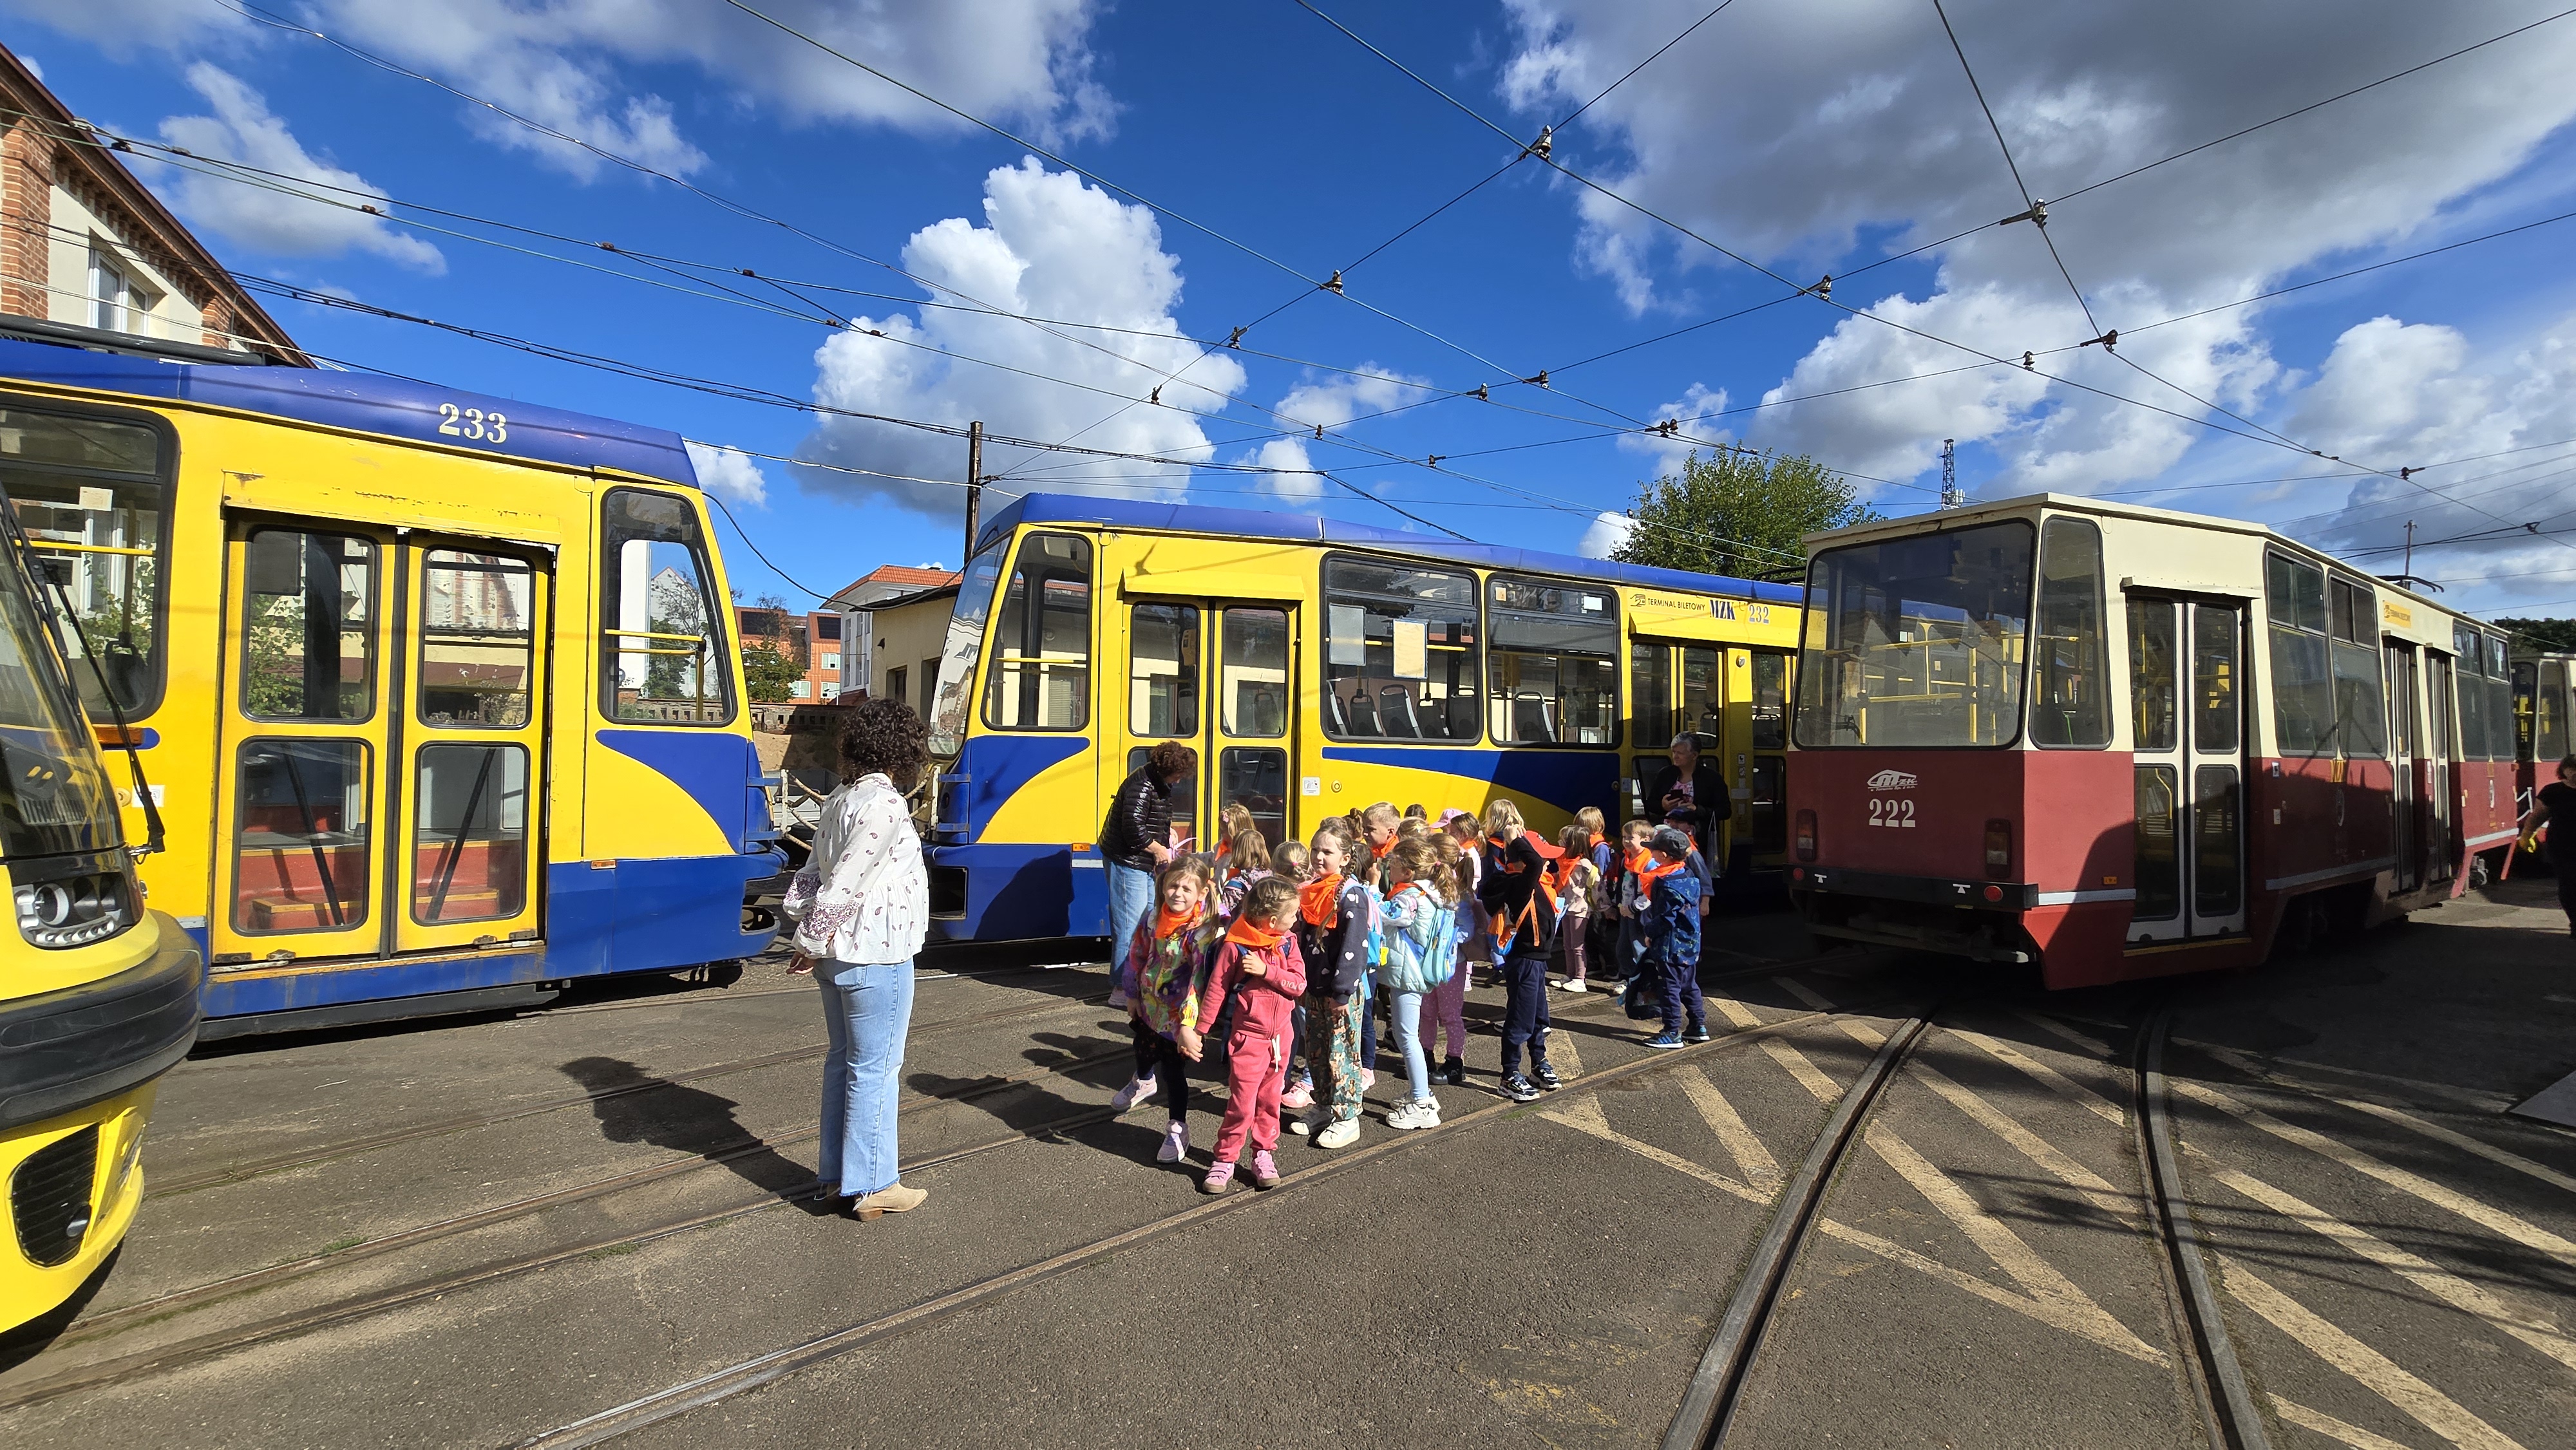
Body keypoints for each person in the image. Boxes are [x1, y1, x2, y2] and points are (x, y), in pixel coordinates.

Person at [782, 698, 933, 1218]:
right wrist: (809, 941)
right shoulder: (885, 804)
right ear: (903, 749)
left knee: (843, 1063)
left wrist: (808, 936)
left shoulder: (841, 797)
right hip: (876, 951)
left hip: (838, 954)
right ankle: (874, 1185)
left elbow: (812, 873)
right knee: (876, 1069)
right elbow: (845, 882)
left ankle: (835, 1177)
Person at [1184, 877, 1305, 1193]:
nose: (1297, 919)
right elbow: (1216, 989)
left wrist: (1268, 972)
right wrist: (1201, 1030)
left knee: (1270, 1101)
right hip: (1248, 1038)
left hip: (1281, 1037)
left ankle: (1263, 1153)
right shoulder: (1235, 945)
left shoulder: (1288, 942)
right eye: (1293, 914)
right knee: (1242, 1103)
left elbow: (1299, 985)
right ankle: (1225, 1159)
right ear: (1273, 921)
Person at [1108, 858, 1224, 1159]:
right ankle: (1144, 1080)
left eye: (1187, 889)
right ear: (1163, 886)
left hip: (1178, 1015)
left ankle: (1177, 1128)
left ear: (1201, 893)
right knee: (1142, 1047)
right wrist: (1132, 994)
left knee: (1174, 1072)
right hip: (1150, 1005)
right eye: (1173, 886)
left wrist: (1187, 1025)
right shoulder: (1153, 918)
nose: (1178, 893)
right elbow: (1137, 954)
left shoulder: (1202, 933)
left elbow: (1199, 981)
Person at [1293, 823, 1374, 1149]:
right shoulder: (1312, 889)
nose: (1318, 856)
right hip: (1314, 987)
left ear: (1345, 858)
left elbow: (1354, 947)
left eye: (1327, 851)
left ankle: (1348, 1116)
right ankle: (1325, 1106)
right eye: (1315, 849)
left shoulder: (1351, 894)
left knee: (1342, 1053)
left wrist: (1342, 990)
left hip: (1341, 992)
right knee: (1317, 1050)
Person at [1099, 741, 1196, 1008]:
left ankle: (1133, 981)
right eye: (1178, 775)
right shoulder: (1142, 786)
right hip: (1128, 862)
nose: (1179, 780)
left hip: (1137, 862)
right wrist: (1158, 849)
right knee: (1131, 927)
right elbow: (1133, 829)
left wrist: (1166, 833)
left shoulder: (1154, 782)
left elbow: (1147, 819)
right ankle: (1121, 988)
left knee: (1143, 922)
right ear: (1169, 770)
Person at [1477, 798, 1562, 1102]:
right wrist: (1515, 840)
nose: (1548, 863)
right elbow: (1535, 863)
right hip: (1525, 960)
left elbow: (1540, 865)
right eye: (1544, 858)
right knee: (1520, 1018)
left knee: (1538, 1016)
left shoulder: (1535, 881)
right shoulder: (1519, 883)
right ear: (1526, 859)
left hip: (1537, 960)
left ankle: (1539, 1063)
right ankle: (1509, 1074)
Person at [1378, 838, 1457, 1129]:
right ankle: (1419, 1093)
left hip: (1407, 975)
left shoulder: (1409, 897)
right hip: (1418, 971)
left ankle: (1422, 1103)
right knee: (1408, 1036)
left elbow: (1385, 915)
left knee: (1407, 1038)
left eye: (1393, 865)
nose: (1389, 869)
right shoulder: (1433, 893)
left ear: (1408, 871)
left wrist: (1372, 889)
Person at [1636, 827, 1710, 1049]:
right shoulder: (1688, 875)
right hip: (1690, 944)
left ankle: (1671, 1032)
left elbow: (1665, 918)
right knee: (1689, 985)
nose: (1650, 853)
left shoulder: (1665, 883)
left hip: (1670, 947)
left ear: (1663, 855)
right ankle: (1698, 1026)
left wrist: (1650, 932)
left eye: (1653, 850)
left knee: (1670, 988)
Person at [1645, 733, 1730, 916]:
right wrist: (1662, 805)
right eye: (1674, 752)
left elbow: (1725, 811)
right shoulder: (1666, 774)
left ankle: (1694, 916)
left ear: (1694, 755)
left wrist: (1698, 810)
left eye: (1680, 753)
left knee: (1693, 879)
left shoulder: (1711, 778)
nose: (1675, 756)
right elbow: (1650, 804)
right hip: (1665, 839)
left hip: (1695, 841)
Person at [1421, 831, 1474, 1086]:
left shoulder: (1457, 893)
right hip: (1429, 962)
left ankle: (1455, 1061)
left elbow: (1467, 929)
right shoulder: (1426, 889)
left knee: (1451, 1014)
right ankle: (1425, 1054)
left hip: (1451, 964)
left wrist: (1445, 941)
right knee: (1427, 1011)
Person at [2517, 753, 2576, 936]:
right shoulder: (2552, 792)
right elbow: (2538, 816)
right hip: (2562, 846)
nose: (2574, 772)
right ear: (2563, 770)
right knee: (2568, 886)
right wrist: (2527, 835)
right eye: (2571, 768)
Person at [1553, 824, 1601, 992]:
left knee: (1577, 945)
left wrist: (1604, 907)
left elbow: (1597, 886)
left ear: (1573, 843)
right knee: (1567, 944)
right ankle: (1569, 975)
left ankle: (1580, 979)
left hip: (1580, 909)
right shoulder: (1563, 861)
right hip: (1566, 907)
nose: (1559, 842)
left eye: (1563, 839)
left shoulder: (1584, 864)